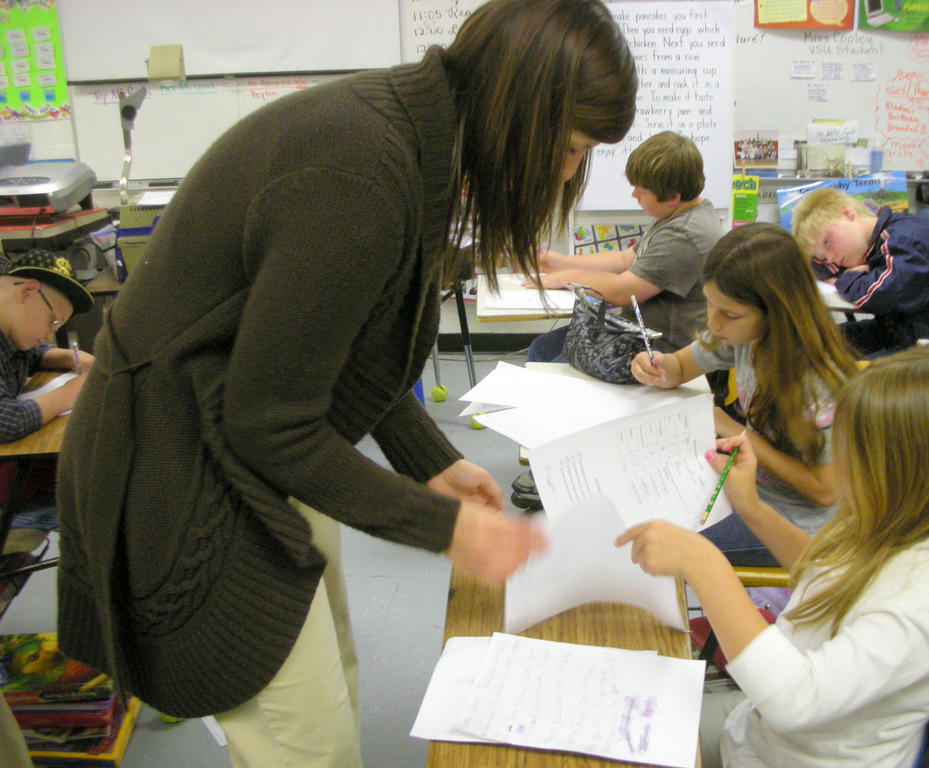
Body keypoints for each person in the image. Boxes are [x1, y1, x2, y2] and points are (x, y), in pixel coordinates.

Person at [54, 2, 636, 766]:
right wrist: (445, 528)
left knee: (333, 688)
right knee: (309, 741)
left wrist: (428, 460)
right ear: (516, 109)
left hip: (244, 444)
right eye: (568, 147)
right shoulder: (364, 170)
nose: (568, 171)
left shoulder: (415, 138)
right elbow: (268, 421)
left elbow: (341, 350)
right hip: (183, 468)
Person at [617, 345, 929, 768]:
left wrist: (704, 563)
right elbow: (823, 571)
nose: (836, 463)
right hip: (755, 733)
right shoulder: (896, 516)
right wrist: (751, 506)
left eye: (849, 449)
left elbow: (795, 702)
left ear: (909, 468)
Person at [631, 223, 861, 565]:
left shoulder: (816, 381)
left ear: (778, 310)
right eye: (709, 304)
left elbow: (825, 490)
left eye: (729, 314)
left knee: (656, 539)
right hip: (750, 486)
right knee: (641, 499)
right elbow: (679, 367)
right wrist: (656, 366)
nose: (715, 322)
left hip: (800, 528)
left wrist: (736, 430)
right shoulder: (744, 335)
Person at [525, 130, 721, 361]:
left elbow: (621, 292)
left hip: (662, 349)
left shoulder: (684, 234)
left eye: (642, 190)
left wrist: (564, 277)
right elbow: (625, 260)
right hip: (638, 333)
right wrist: (560, 262)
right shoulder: (678, 215)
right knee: (543, 349)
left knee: (556, 366)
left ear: (672, 197)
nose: (634, 194)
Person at [790, 186, 929, 356]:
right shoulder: (873, 241)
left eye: (828, 241)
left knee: (833, 365)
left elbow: (881, 293)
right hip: (904, 332)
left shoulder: (905, 239)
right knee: (810, 344)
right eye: (824, 256)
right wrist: (844, 272)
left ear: (848, 215)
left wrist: (846, 278)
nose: (831, 257)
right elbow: (816, 266)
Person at [0, 251, 94, 530]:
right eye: (52, 321)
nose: (49, 334)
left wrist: (73, 358)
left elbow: (32, 354)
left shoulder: (9, 332)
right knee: (91, 500)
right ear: (28, 291)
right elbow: (7, 421)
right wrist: (75, 389)